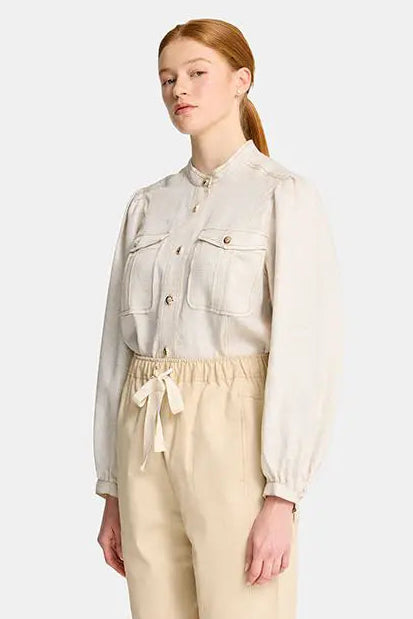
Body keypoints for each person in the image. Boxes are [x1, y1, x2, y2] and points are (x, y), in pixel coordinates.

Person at [92, 17, 344, 619]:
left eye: (197, 73)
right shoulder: (147, 205)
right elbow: (115, 353)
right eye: (167, 78)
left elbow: (307, 351)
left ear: (241, 80)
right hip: (143, 436)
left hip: (234, 435)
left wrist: (282, 494)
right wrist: (112, 488)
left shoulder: (282, 196)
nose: (179, 88)